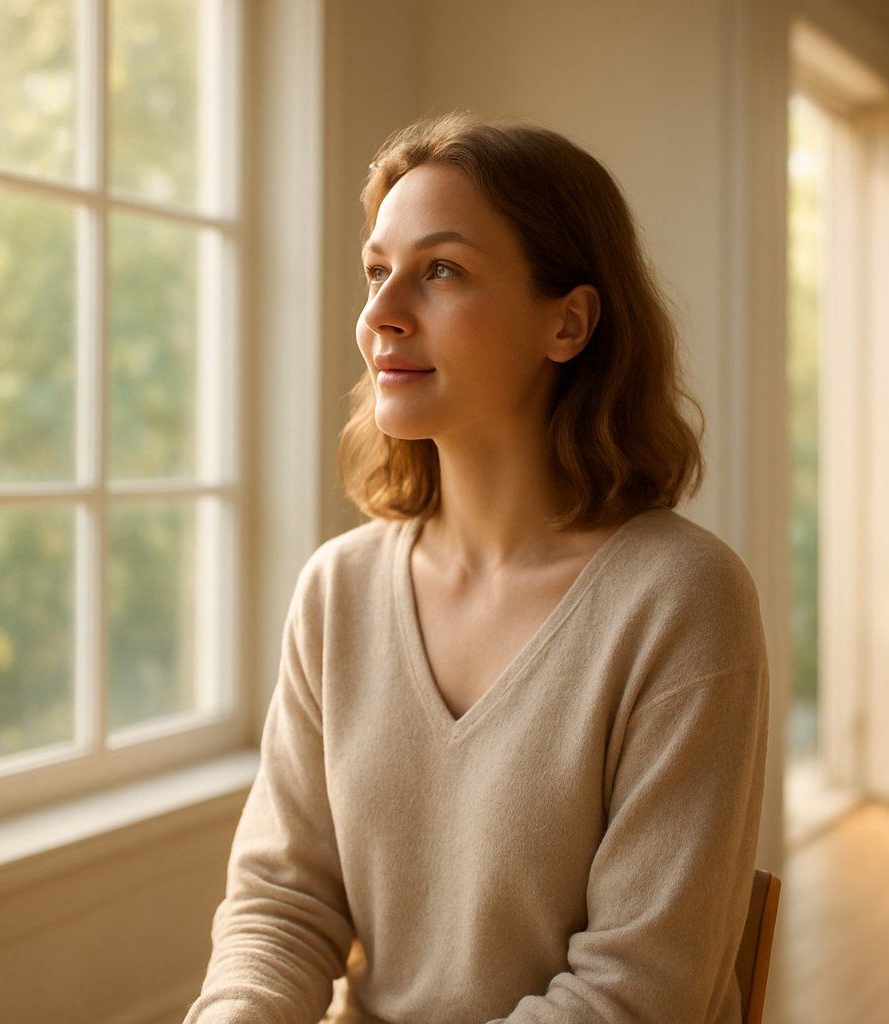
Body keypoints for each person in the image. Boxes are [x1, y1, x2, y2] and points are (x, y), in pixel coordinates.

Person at [185, 113, 768, 1024]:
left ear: (568, 322)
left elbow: (638, 993)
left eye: (441, 270)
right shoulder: (337, 591)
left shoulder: (683, 601)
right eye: (378, 271)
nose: (379, 313)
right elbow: (282, 905)